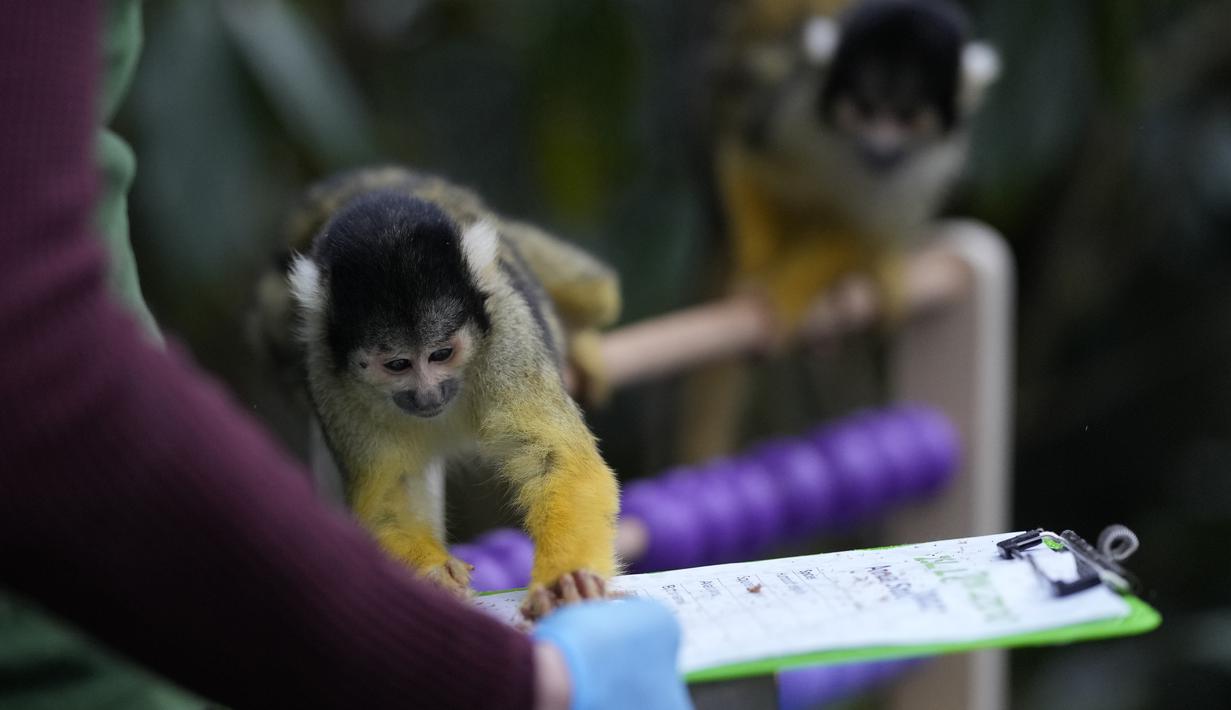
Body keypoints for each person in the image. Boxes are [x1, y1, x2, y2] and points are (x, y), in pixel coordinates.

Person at [0, 4, 691, 709]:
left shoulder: (493, 304)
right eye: (396, 368)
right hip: (69, 601)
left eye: (442, 357)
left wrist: (566, 577)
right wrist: (433, 591)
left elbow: (563, 468)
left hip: (100, 600)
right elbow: (388, 507)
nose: (427, 391)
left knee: (594, 296)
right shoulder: (331, 364)